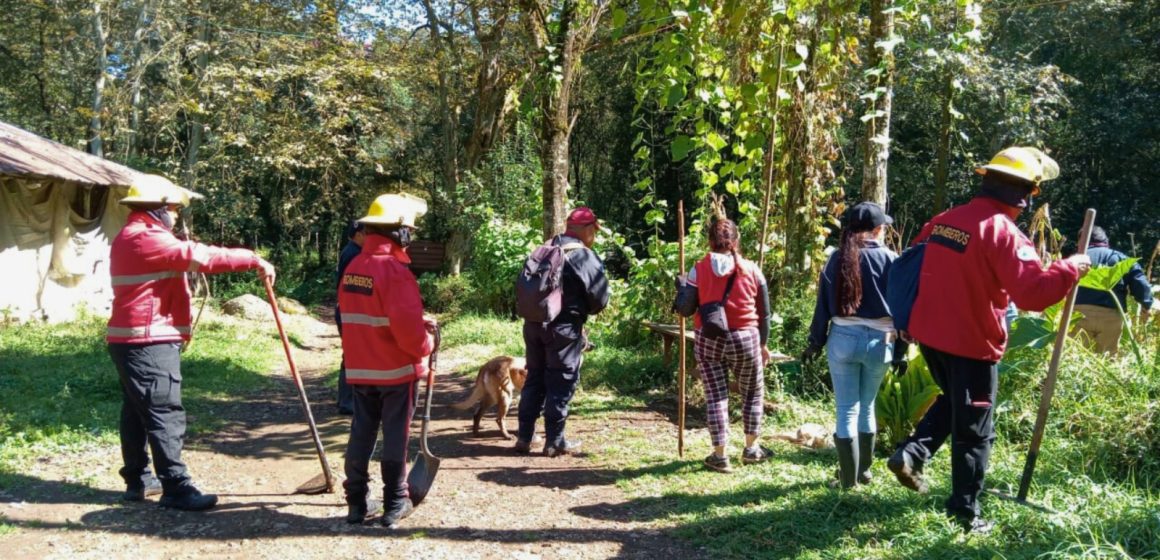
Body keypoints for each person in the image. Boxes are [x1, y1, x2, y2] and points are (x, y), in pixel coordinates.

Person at [887, 147, 1091, 534]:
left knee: (954, 402)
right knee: (975, 429)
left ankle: (912, 454)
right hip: (972, 344)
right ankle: (965, 512)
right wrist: (1070, 267)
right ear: (1027, 195)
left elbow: (911, 263)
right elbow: (1032, 295)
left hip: (930, 336)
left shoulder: (944, 221)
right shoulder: (1003, 233)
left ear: (986, 180)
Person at [107, 175, 275, 511]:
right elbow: (203, 257)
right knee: (163, 410)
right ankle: (176, 487)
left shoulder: (132, 234)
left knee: (138, 410)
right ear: (159, 208)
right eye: (173, 210)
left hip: (133, 337)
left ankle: (138, 480)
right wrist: (254, 258)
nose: (176, 217)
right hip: (148, 339)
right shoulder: (146, 238)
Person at [338, 193, 435, 528]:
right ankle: (395, 501)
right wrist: (428, 341)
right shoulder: (394, 271)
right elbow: (409, 335)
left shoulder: (354, 266)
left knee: (361, 433)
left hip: (361, 370)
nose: (411, 235)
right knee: (396, 436)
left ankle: (356, 504)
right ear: (399, 232)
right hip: (396, 372)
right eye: (409, 229)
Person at [802, 202, 905, 488]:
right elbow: (902, 309)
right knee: (867, 406)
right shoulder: (891, 259)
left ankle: (848, 480)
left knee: (847, 409)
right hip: (880, 341)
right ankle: (864, 472)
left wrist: (815, 341)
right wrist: (901, 351)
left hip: (843, 339)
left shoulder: (837, 258)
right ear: (878, 229)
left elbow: (822, 305)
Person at [674, 209, 775, 473]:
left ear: (709, 241)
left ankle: (720, 455)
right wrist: (763, 344)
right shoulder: (752, 269)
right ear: (737, 240)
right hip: (746, 337)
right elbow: (764, 312)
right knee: (752, 392)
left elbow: (685, 309)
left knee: (716, 396)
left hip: (710, 336)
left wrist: (683, 286)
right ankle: (752, 449)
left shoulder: (699, 269)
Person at [514, 207, 610, 457]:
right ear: (588, 229)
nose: (595, 237)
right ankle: (555, 441)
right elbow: (600, 299)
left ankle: (524, 437)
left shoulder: (545, 247)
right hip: (564, 329)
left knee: (534, 377)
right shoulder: (583, 255)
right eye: (594, 231)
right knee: (561, 379)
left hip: (533, 324)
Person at [1073, 226, 1154, 353]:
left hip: (1078, 313)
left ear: (1081, 241)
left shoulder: (1075, 260)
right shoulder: (1121, 258)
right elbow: (1141, 283)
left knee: (1075, 357)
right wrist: (1146, 304)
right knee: (1106, 358)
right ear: (1106, 242)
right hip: (1112, 316)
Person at [334, 221, 366, 415]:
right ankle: (347, 402)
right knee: (351, 355)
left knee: (352, 354)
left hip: (345, 310)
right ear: (358, 235)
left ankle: (348, 400)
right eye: (367, 233)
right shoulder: (354, 254)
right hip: (347, 311)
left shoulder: (349, 251)